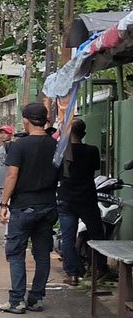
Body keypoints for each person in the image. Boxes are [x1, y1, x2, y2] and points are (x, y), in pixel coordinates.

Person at [0, 102, 59, 314]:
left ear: (26, 120)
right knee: (42, 253)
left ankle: (16, 301)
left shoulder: (19, 146)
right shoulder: (55, 145)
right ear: (45, 120)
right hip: (48, 206)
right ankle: (36, 299)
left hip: (23, 207)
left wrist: (4, 203)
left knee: (16, 253)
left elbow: (12, 175)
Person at [57, 119, 105, 286]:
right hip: (87, 198)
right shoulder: (92, 151)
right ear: (83, 134)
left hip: (66, 198)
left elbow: (56, 173)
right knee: (97, 234)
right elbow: (95, 168)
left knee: (67, 238)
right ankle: (100, 268)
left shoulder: (62, 152)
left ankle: (72, 274)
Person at [0, 124, 14, 235]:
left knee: (7, 213)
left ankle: (7, 236)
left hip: (7, 185)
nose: (2, 135)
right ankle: (7, 234)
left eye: (5, 132)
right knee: (0, 212)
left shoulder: (13, 148)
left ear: (10, 134)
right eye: (1, 133)